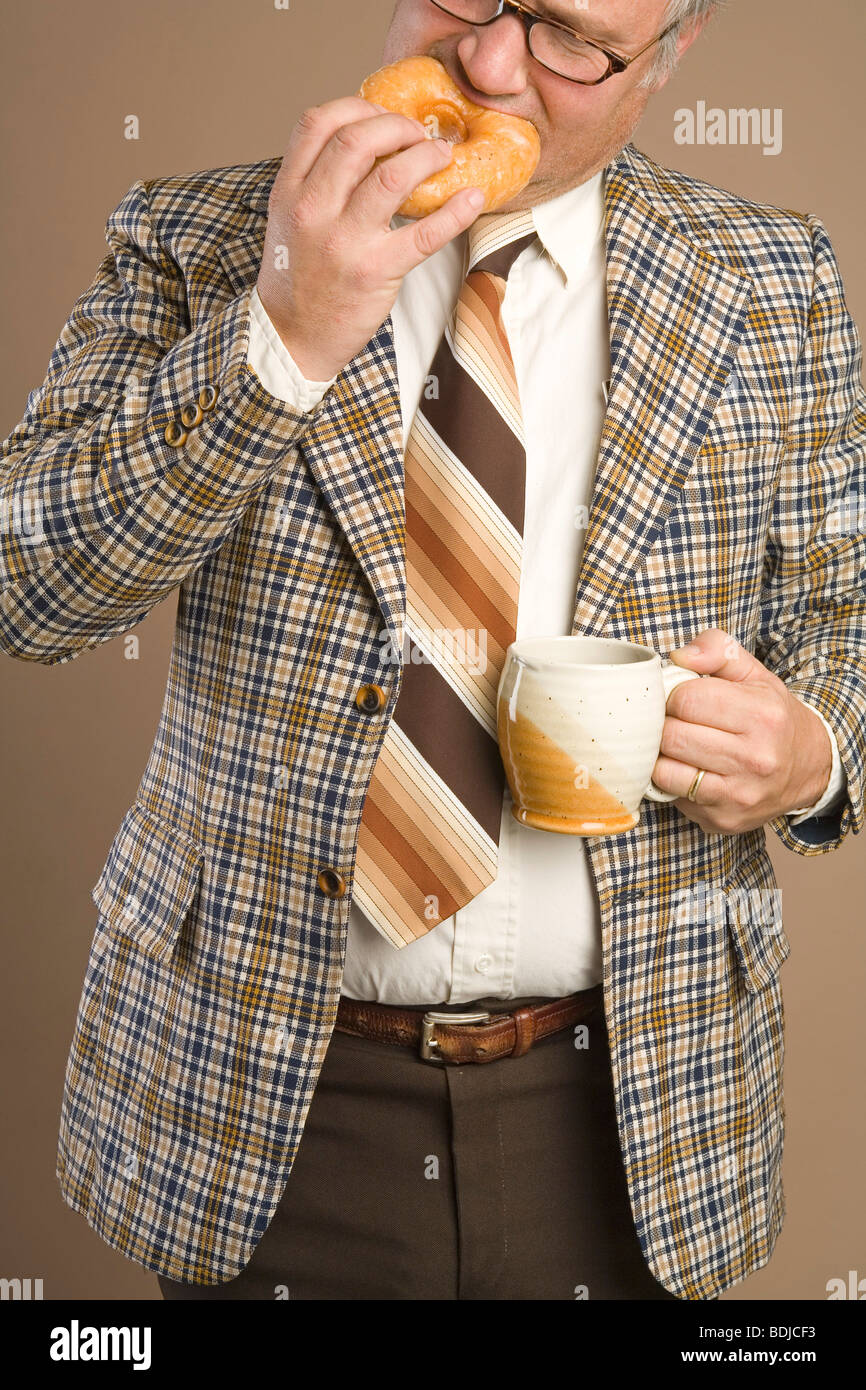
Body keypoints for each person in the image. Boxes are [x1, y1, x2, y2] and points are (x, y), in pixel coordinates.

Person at [1, 0, 862, 1301]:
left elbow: (847, 622)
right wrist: (282, 333)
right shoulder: (199, 237)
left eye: (573, 38)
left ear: (664, 61)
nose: (492, 61)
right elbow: (32, 586)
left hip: (634, 1103)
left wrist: (813, 753)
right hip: (269, 1093)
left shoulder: (776, 281)